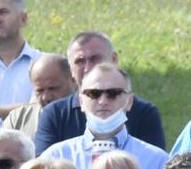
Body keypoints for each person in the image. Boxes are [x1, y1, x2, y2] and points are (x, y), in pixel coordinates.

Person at [45, 64, 169, 169]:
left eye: (113, 93)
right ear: (81, 102)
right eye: (93, 94)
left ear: (129, 102)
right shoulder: (55, 157)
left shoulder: (158, 161)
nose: (103, 101)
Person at [34, 33, 166, 152]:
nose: (87, 68)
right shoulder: (55, 114)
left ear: (114, 59)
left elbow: (151, 166)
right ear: (70, 69)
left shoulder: (144, 112)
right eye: (80, 61)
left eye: (95, 58)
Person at [4, 53, 75, 138]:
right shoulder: (17, 120)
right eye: (40, 91)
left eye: (53, 88)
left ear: (73, 80)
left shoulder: (88, 116)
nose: (46, 97)